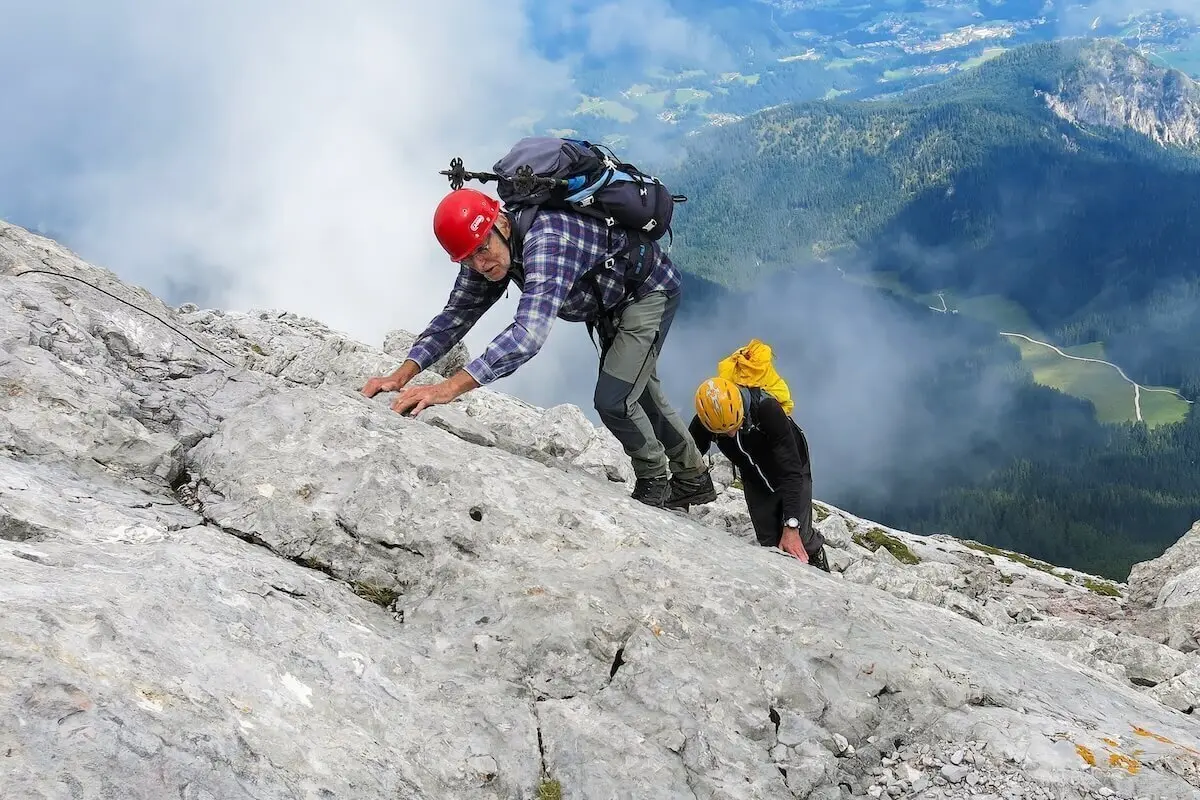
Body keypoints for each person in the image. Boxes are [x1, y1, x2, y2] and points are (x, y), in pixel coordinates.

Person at [361, 186, 716, 510]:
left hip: (647, 293)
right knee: (638, 391)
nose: (480, 265)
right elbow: (456, 317)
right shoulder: (487, 246)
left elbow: (528, 336)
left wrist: (446, 389)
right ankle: (694, 479)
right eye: (467, 259)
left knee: (615, 398)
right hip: (613, 302)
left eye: (482, 250)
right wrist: (400, 375)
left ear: (500, 222)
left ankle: (654, 481)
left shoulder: (548, 239)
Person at [688, 375, 830, 571]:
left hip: (791, 470)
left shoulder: (767, 410)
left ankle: (816, 555)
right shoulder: (707, 420)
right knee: (771, 544)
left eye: (734, 425)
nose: (730, 434)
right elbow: (691, 454)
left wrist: (791, 526)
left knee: (799, 537)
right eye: (722, 432)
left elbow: (791, 471)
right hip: (754, 478)